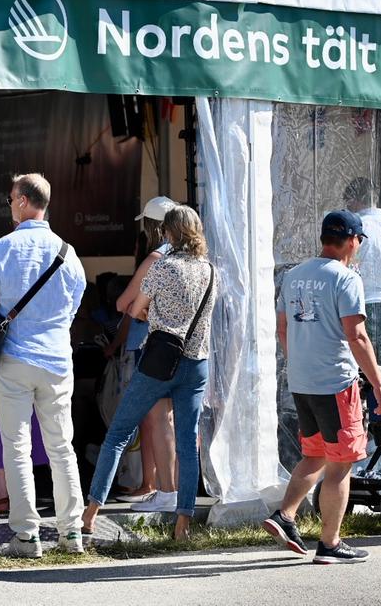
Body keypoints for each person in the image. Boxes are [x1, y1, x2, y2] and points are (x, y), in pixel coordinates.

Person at [0, 173, 87, 557]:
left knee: (15, 447)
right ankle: (72, 533)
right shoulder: (69, 253)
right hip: (56, 360)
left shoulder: (1, 248)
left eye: (9, 200)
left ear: (22, 200)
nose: (9, 206)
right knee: (62, 447)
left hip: (14, 358)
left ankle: (26, 536)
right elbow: (75, 304)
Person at [263, 210, 381, 564]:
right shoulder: (346, 279)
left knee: (315, 454)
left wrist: (299, 362)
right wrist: (379, 386)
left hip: (302, 382)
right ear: (353, 240)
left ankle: (285, 515)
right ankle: (330, 543)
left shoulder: (293, 276)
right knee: (340, 465)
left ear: (324, 239)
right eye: (359, 241)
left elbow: (283, 327)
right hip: (336, 383)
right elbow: (358, 335)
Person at [82, 205, 216, 541]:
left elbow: (136, 308)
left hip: (159, 362)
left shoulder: (162, 266)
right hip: (196, 363)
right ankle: (182, 524)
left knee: (118, 434)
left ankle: (91, 512)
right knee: (188, 444)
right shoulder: (210, 270)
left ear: (168, 233)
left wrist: (155, 315)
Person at [101, 195, 178, 509]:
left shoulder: (156, 259)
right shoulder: (194, 258)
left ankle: (152, 485)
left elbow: (125, 305)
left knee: (152, 420)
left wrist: (141, 310)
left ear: (153, 227)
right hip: (186, 348)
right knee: (177, 421)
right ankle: (171, 489)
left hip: (149, 346)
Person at [343, 177, 381, 364]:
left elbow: (346, 267)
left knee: (362, 370)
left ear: (354, 200)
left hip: (362, 305)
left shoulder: (355, 229)